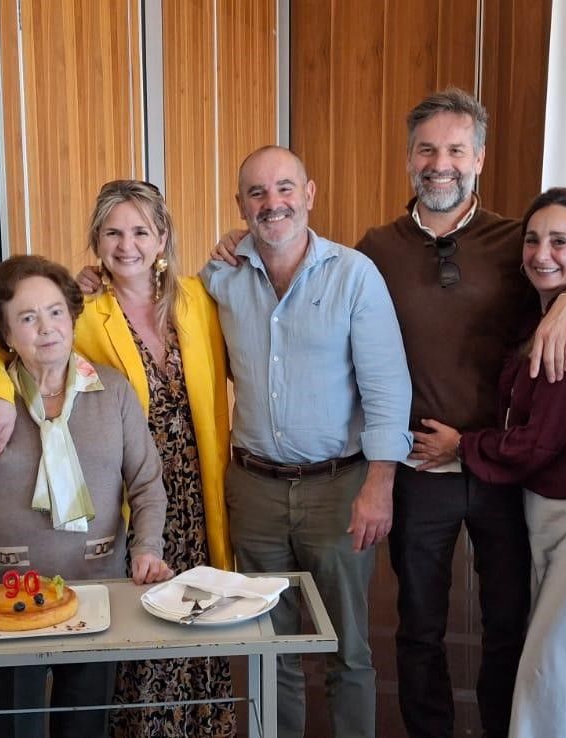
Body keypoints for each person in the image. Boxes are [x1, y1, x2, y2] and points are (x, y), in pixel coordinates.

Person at [209, 90, 566, 738]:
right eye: (426, 149)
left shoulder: (518, 242)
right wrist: (241, 241)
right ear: (409, 159)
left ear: (478, 157)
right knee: (418, 628)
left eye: (453, 150)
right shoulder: (374, 251)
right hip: (419, 468)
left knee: (507, 625)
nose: (439, 163)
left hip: (505, 469)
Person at [0, 180, 238, 736]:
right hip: (125, 501)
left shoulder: (200, 299)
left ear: (163, 238)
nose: (127, 244)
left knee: (197, 626)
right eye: (112, 232)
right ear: (95, 241)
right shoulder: (82, 309)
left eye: (141, 230)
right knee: (132, 639)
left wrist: (239, 240)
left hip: (194, 495)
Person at [411, 187, 566, 738]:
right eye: (533, 240)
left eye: (560, 242)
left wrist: (461, 445)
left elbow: (536, 443)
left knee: (562, 670)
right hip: (556, 515)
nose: (542, 253)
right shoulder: (542, 314)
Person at [0, 254, 175, 738]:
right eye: (27, 318)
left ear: (72, 317)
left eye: (54, 312)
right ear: (5, 335)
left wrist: (148, 549)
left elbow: (148, 484)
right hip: (3, 601)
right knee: (12, 727)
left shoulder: (113, 392)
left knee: (84, 727)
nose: (45, 328)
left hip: (98, 592)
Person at [201, 145, 413, 738]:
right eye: (258, 193)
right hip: (255, 490)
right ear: (240, 204)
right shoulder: (219, 277)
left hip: (339, 488)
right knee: (273, 646)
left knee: (348, 649)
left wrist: (380, 485)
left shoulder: (353, 274)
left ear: (310, 194)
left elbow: (387, 385)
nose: (274, 203)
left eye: (285, 188)